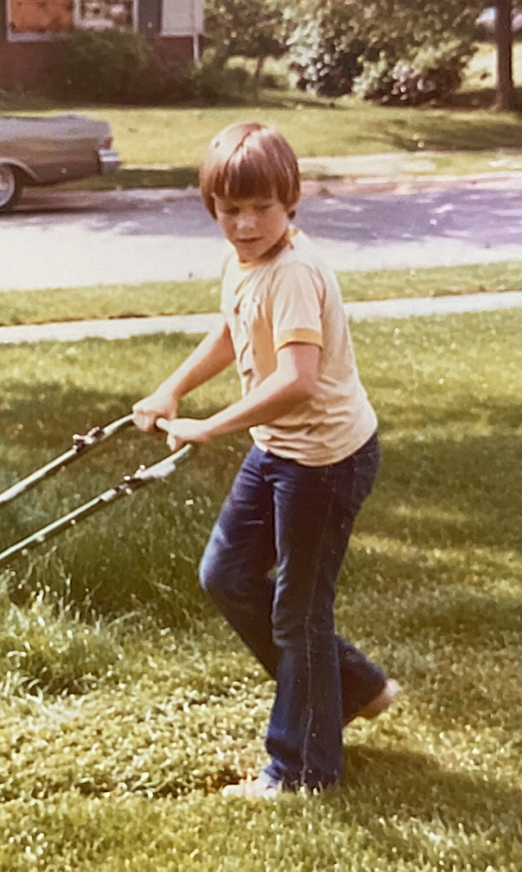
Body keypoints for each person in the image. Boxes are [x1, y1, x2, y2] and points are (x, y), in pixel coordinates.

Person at [132, 122, 399, 799]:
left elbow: (297, 380)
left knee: (299, 612)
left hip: (325, 461)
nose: (246, 224)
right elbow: (232, 326)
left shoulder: (294, 271)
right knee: (225, 574)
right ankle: (353, 687)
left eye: (262, 209)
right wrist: (173, 389)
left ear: (292, 201)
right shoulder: (246, 261)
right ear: (213, 208)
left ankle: (303, 767)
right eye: (231, 211)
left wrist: (207, 427)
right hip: (281, 450)